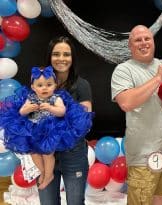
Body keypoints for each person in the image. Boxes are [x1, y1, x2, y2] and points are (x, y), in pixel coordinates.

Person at [111, 25, 162, 205]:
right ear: (130, 45)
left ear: (153, 41)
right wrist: (158, 78)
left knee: (160, 199)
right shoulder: (124, 70)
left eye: (147, 38)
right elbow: (126, 102)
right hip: (143, 154)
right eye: (138, 40)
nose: (143, 43)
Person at [0, 66, 93, 191]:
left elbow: (62, 111)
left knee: (48, 154)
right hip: (32, 130)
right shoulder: (30, 98)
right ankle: (42, 172)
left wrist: (50, 108)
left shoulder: (56, 98)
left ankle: (49, 175)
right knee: (33, 153)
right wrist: (27, 109)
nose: (44, 88)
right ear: (33, 87)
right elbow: (21, 112)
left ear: (55, 85)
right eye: (40, 85)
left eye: (49, 84)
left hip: (49, 130)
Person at [37, 36, 93, 205]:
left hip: (73, 155)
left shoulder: (81, 85)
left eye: (66, 54)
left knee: (75, 202)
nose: (61, 58)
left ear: (72, 58)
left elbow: (83, 123)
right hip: (44, 155)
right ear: (49, 57)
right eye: (56, 54)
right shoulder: (40, 83)